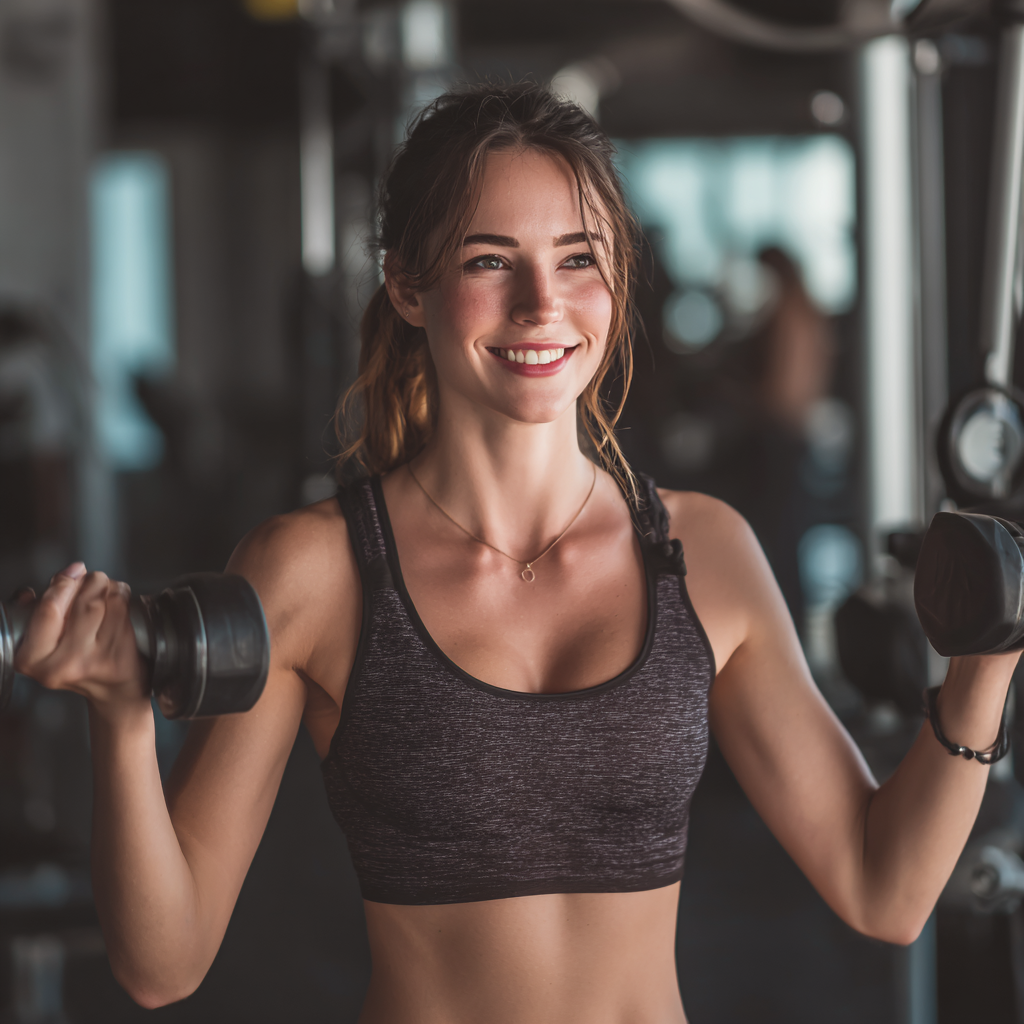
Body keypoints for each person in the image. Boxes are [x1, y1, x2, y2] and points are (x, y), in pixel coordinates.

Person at [13, 83, 1019, 1024]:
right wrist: (122, 716)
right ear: (408, 286)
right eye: (489, 261)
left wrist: (986, 661)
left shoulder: (703, 552)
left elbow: (884, 888)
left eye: (578, 258)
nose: (542, 303)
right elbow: (164, 963)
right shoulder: (313, 573)